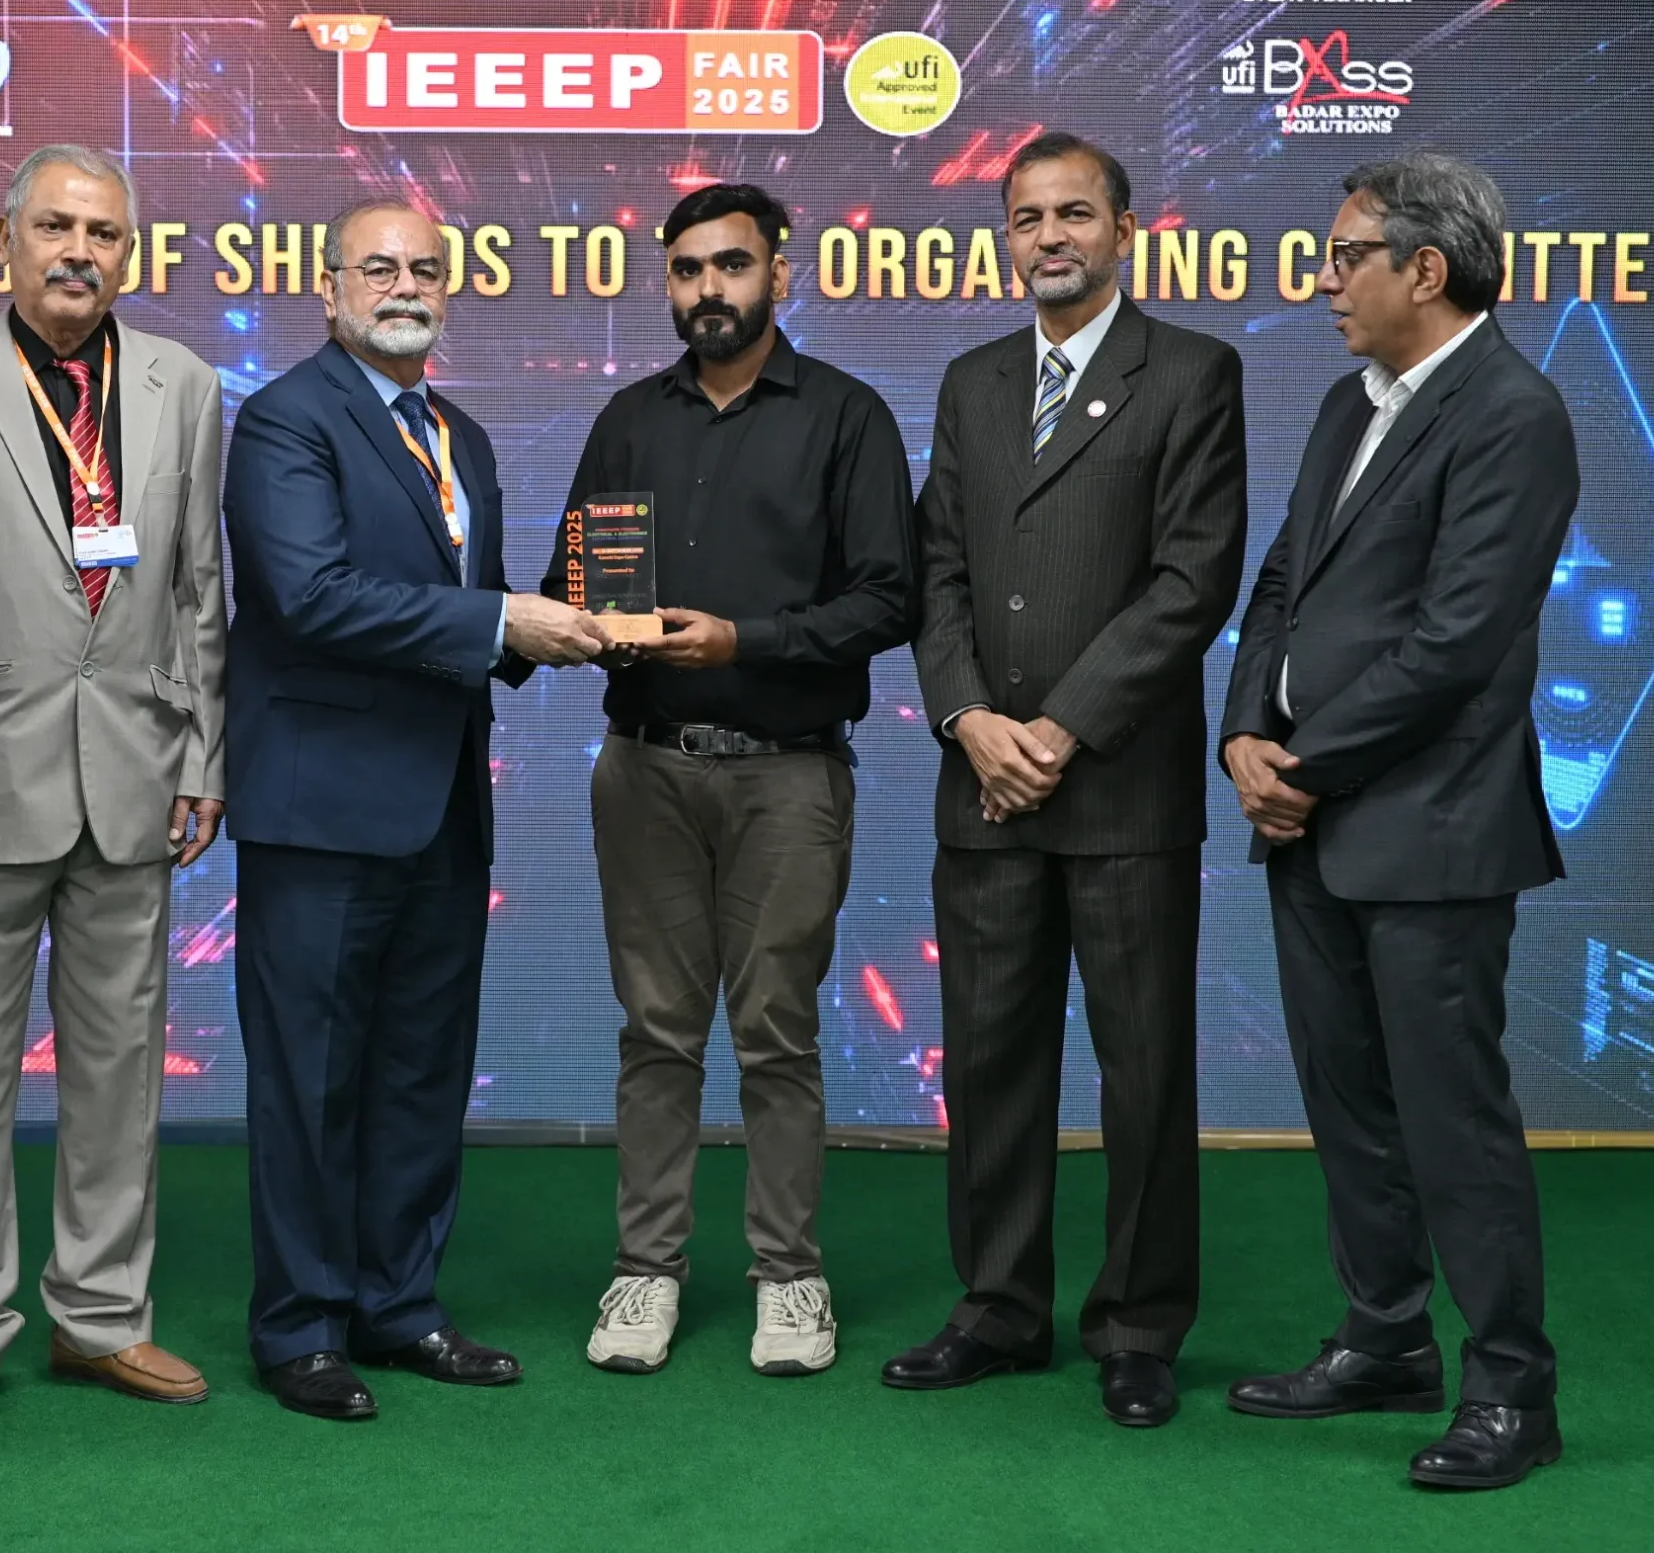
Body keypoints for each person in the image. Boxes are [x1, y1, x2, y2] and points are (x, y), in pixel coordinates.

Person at [1219, 152, 1577, 1490]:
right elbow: (1281, 582)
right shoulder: (1344, 402)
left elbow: (1457, 642)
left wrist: (1303, 763)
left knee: (1449, 1116)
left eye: (1343, 255)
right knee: (1349, 1101)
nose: (1323, 281)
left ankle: (1511, 1390)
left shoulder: (1514, 412)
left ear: (1426, 269)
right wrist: (1243, 731)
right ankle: (1383, 1340)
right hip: (1308, 820)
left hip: (1429, 828)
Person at [223, 198, 606, 1420]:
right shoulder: (285, 419)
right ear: (328, 289)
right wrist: (504, 621)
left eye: (426, 268)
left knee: (421, 1070)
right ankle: (300, 1328)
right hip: (320, 810)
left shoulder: (461, 436)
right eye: (378, 267)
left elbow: (466, 612)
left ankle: (399, 1307)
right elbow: (309, 596)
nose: (404, 286)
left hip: (441, 803)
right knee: (309, 1079)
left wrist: (576, 624)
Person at [0, 145, 228, 1433]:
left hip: (136, 772)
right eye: (57, 227)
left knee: (121, 1069)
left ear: (130, 253)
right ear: (5, 240)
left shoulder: (184, 383)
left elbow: (197, 588)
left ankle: (102, 1316)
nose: (81, 251)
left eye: (106, 233)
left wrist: (203, 752)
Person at [893, 132, 1247, 1428]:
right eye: (1027, 216)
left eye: (1074, 213)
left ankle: (1139, 1324)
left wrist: (1059, 732)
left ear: (1124, 230)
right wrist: (969, 719)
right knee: (989, 1062)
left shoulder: (1193, 371)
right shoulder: (973, 380)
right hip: (982, 785)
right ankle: (997, 1307)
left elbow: (1192, 581)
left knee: (1143, 1071)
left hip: (1119, 794)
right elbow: (937, 571)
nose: (1050, 236)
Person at [542, 184, 917, 1379]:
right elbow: (570, 576)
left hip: (786, 778)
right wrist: (583, 623)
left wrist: (741, 642)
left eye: (733, 265)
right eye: (689, 269)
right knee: (656, 1033)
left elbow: (888, 599)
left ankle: (788, 1274)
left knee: (775, 1034)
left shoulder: (847, 417)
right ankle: (645, 1270)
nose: (710, 288)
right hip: (644, 770)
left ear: (778, 275)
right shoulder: (626, 420)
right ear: (669, 282)